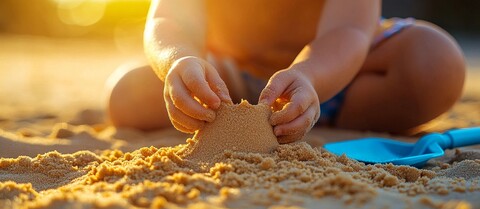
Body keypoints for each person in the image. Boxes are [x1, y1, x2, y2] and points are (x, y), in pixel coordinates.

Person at [107, 0, 465, 143]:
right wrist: (179, 60)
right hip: (228, 78)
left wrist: (311, 76)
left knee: (437, 63)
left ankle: (313, 111)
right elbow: (169, 19)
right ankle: (248, 112)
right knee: (127, 97)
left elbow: (349, 30)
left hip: (342, 69)